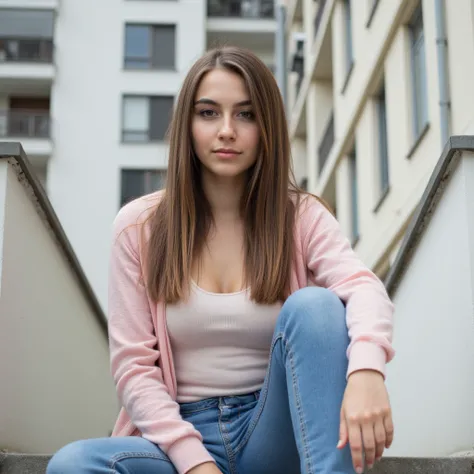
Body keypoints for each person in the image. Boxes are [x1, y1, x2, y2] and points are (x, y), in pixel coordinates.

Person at [47, 46, 395, 474]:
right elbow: (134, 368)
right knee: (72, 465)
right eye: (209, 113)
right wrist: (195, 464)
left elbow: (364, 288)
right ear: (187, 126)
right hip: (176, 439)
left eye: (246, 115)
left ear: (266, 127)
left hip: (274, 429)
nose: (227, 130)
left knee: (318, 307)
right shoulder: (138, 228)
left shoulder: (301, 217)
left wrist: (366, 371)